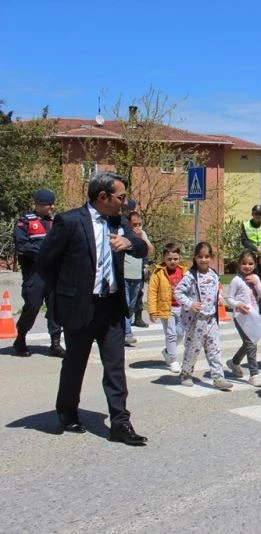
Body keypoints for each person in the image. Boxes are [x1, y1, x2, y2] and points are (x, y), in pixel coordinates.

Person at [37, 171, 148, 445]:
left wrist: (129, 242)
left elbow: (143, 247)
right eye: (120, 196)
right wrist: (63, 295)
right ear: (103, 196)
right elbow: (45, 262)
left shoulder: (119, 222)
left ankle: (120, 424)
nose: (124, 202)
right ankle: (67, 412)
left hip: (110, 307)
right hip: (81, 306)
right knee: (75, 363)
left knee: (115, 366)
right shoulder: (70, 221)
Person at [12, 188, 65, 358]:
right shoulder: (24, 222)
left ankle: (55, 343)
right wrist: (43, 254)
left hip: (53, 273)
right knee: (33, 306)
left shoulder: (56, 222)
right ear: (38, 205)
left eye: (52, 203)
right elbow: (22, 246)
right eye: (48, 204)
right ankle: (21, 338)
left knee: (55, 308)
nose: (52, 207)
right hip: (35, 273)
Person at [174, 242, 233, 391]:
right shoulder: (190, 276)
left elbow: (217, 288)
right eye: (200, 257)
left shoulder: (213, 274)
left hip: (211, 319)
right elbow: (178, 292)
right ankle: (186, 373)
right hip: (197, 320)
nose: (203, 260)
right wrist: (190, 303)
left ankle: (218, 377)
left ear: (211, 258)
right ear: (195, 258)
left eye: (207, 256)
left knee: (214, 348)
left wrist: (219, 297)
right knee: (193, 348)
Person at [225, 250, 261, 387]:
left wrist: (257, 283)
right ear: (239, 264)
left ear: (255, 265)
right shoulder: (236, 280)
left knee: (249, 342)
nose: (247, 266)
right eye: (244, 263)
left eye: (250, 263)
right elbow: (229, 298)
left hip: (254, 315)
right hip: (241, 316)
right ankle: (254, 374)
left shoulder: (256, 277)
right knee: (251, 343)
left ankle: (234, 362)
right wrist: (238, 305)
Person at [147, 242, 186, 373]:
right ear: (164, 258)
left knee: (181, 333)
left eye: (175, 259)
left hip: (182, 308)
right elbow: (152, 292)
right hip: (166, 308)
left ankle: (168, 351)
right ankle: (173, 360)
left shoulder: (184, 272)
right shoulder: (158, 273)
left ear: (179, 258)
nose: (172, 262)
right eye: (169, 259)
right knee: (171, 334)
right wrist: (153, 311)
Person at [122, 210, 154, 346]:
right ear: (128, 223)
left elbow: (150, 250)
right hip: (124, 275)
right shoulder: (124, 234)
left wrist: (143, 238)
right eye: (134, 224)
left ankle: (123, 330)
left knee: (131, 306)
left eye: (140, 224)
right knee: (124, 304)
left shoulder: (141, 234)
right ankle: (127, 333)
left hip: (137, 275)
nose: (137, 227)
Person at [240, 205, 261, 315]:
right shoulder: (246, 225)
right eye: (256, 214)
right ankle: (251, 304)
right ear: (252, 214)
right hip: (251, 258)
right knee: (250, 281)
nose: (257, 216)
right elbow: (244, 241)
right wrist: (255, 249)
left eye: (259, 214)